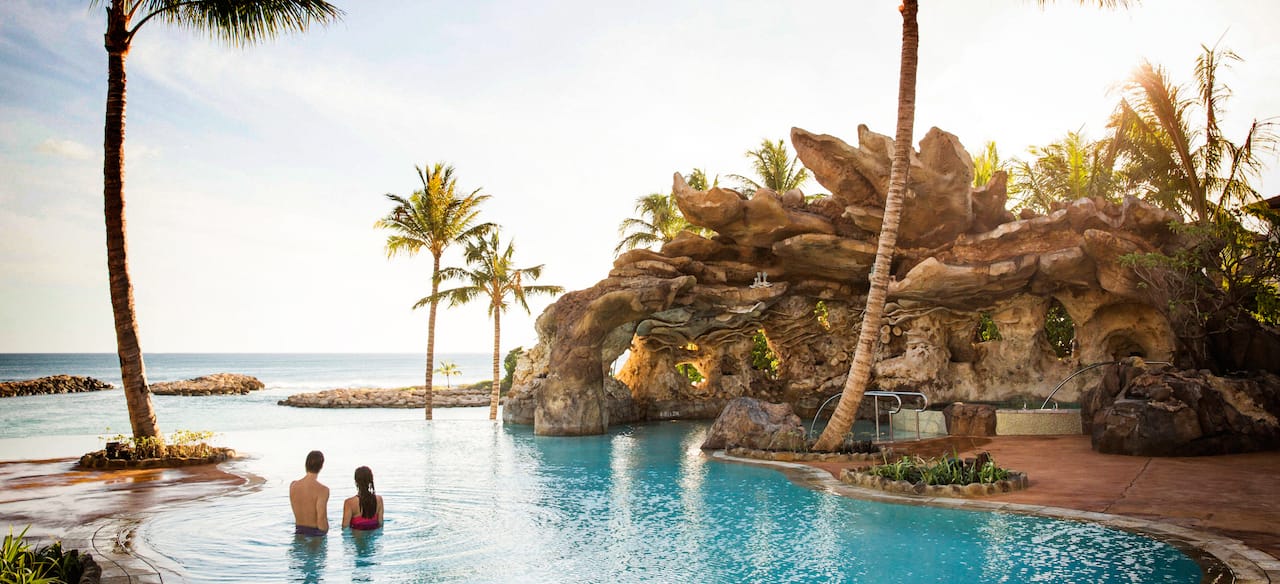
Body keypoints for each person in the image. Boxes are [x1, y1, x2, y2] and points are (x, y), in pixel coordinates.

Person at [290, 450, 330, 536]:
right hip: (316, 535)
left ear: (306, 464)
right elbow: (321, 518)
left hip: (298, 532)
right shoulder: (323, 490)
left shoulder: (293, 486)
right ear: (321, 466)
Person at [341, 466, 384, 531]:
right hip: (373, 538)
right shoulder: (379, 500)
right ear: (370, 480)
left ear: (356, 481)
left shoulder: (349, 503)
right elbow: (380, 524)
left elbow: (345, 527)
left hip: (357, 537)